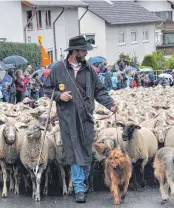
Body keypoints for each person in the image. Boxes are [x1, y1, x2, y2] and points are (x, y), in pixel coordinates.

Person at [44, 36, 118, 203]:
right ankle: (79, 188)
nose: (85, 53)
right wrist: (59, 95)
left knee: (85, 151)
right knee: (74, 151)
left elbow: (100, 91)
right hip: (68, 117)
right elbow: (47, 89)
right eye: (83, 50)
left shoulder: (89, 70)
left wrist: (110, 104)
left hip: (86, 116)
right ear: (74, 51)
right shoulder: (58, 69)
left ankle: (82, 182)